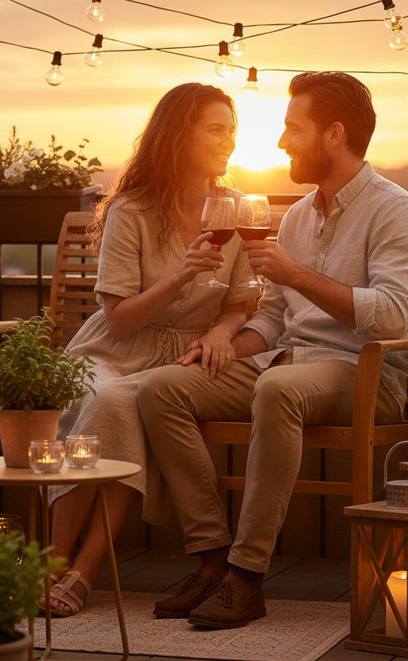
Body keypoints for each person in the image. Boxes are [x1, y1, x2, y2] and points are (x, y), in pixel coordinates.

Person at [137, 71, 408, 629]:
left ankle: (248, 577)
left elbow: (394, 314)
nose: (280, 142)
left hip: (362, 374)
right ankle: (213, 560)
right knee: (161, 388)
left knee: (276, 389)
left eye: (293, 129)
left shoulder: (394, 209)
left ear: (334, 135)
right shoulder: (297, 215)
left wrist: (299, 274)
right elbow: (274, 315)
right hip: (288, 365)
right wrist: (224, 340)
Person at [43, 83, 260, 617]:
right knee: (112, 401)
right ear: (177, 134)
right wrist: (182, 271)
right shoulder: (131, 210)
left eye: (231, 128)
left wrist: (220, 332)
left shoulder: (234, 209)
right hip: (113, 352)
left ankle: (82, 570)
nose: (227, 139)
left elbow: (241, 302)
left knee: (136, 404)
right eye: (215, 128)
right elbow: (119, 320)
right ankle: (53, 564)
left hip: (184, 358)